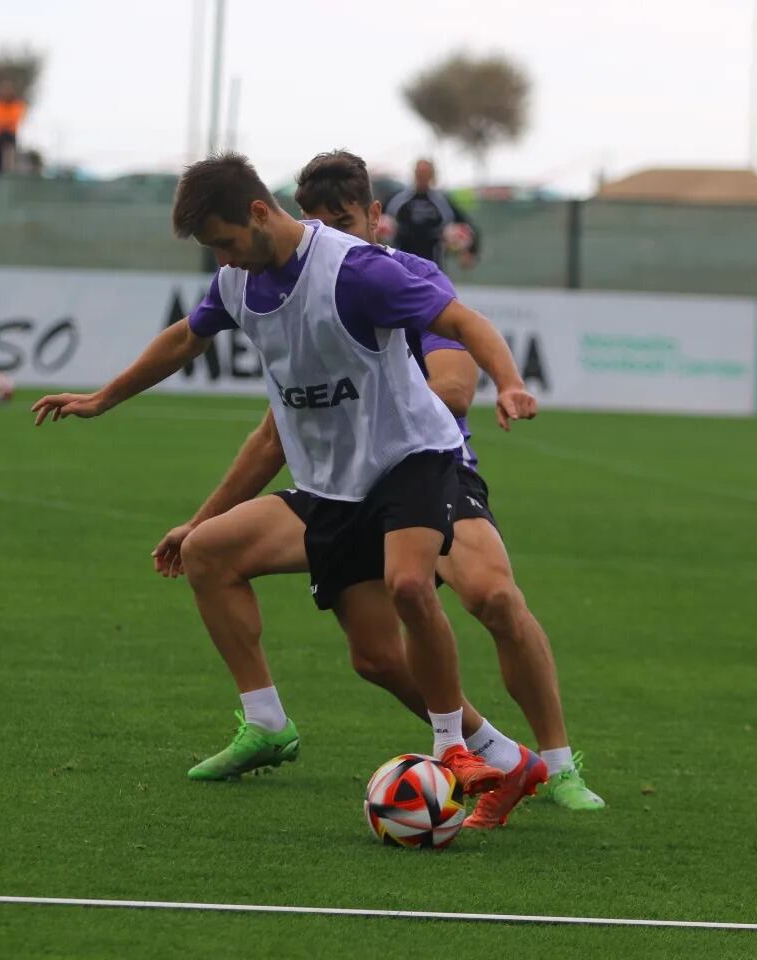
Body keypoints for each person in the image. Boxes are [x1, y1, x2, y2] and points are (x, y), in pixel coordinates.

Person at [32, 153, 538, 798]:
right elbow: (185, 340)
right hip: (332, 485)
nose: (223, 257)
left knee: (410, 584)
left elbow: (463, 321)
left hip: (412, 458)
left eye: (225, 241)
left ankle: (453, 750)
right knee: (213, 556)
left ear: (258, 212)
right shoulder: (238, 281)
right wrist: (103, 398)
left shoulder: (356, 271)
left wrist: (511, 382)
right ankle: (270, 724)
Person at [151, 151, 605, 827]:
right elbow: (275, 436)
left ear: (374, 217)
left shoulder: (397, 277)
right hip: (338, 482)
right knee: (354, 644)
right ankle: (485, 752)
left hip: (425, 469)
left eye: (344, 218)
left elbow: (452, 389)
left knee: (494, 597)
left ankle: (558, 762)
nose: (333, 230)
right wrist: (199, 517)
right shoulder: (282, 283)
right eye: (318, 219)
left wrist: (358, 396)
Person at [384, 159, 480, 273]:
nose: (422, 177)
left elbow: (467, 227)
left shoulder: (442, 202)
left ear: (432, 176)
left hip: (434, 268)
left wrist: (470, 250)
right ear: (414, 174)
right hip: (402, 268)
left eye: (426, 173)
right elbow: (374, 221)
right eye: (419, 173)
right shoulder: (397, 200)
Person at [0, 80, 27, 175]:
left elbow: (14, 119)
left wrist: (4, 123)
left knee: (8, 153)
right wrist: (3, 123)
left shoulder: (17, 105)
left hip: (9, 136)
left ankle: (7, 172)